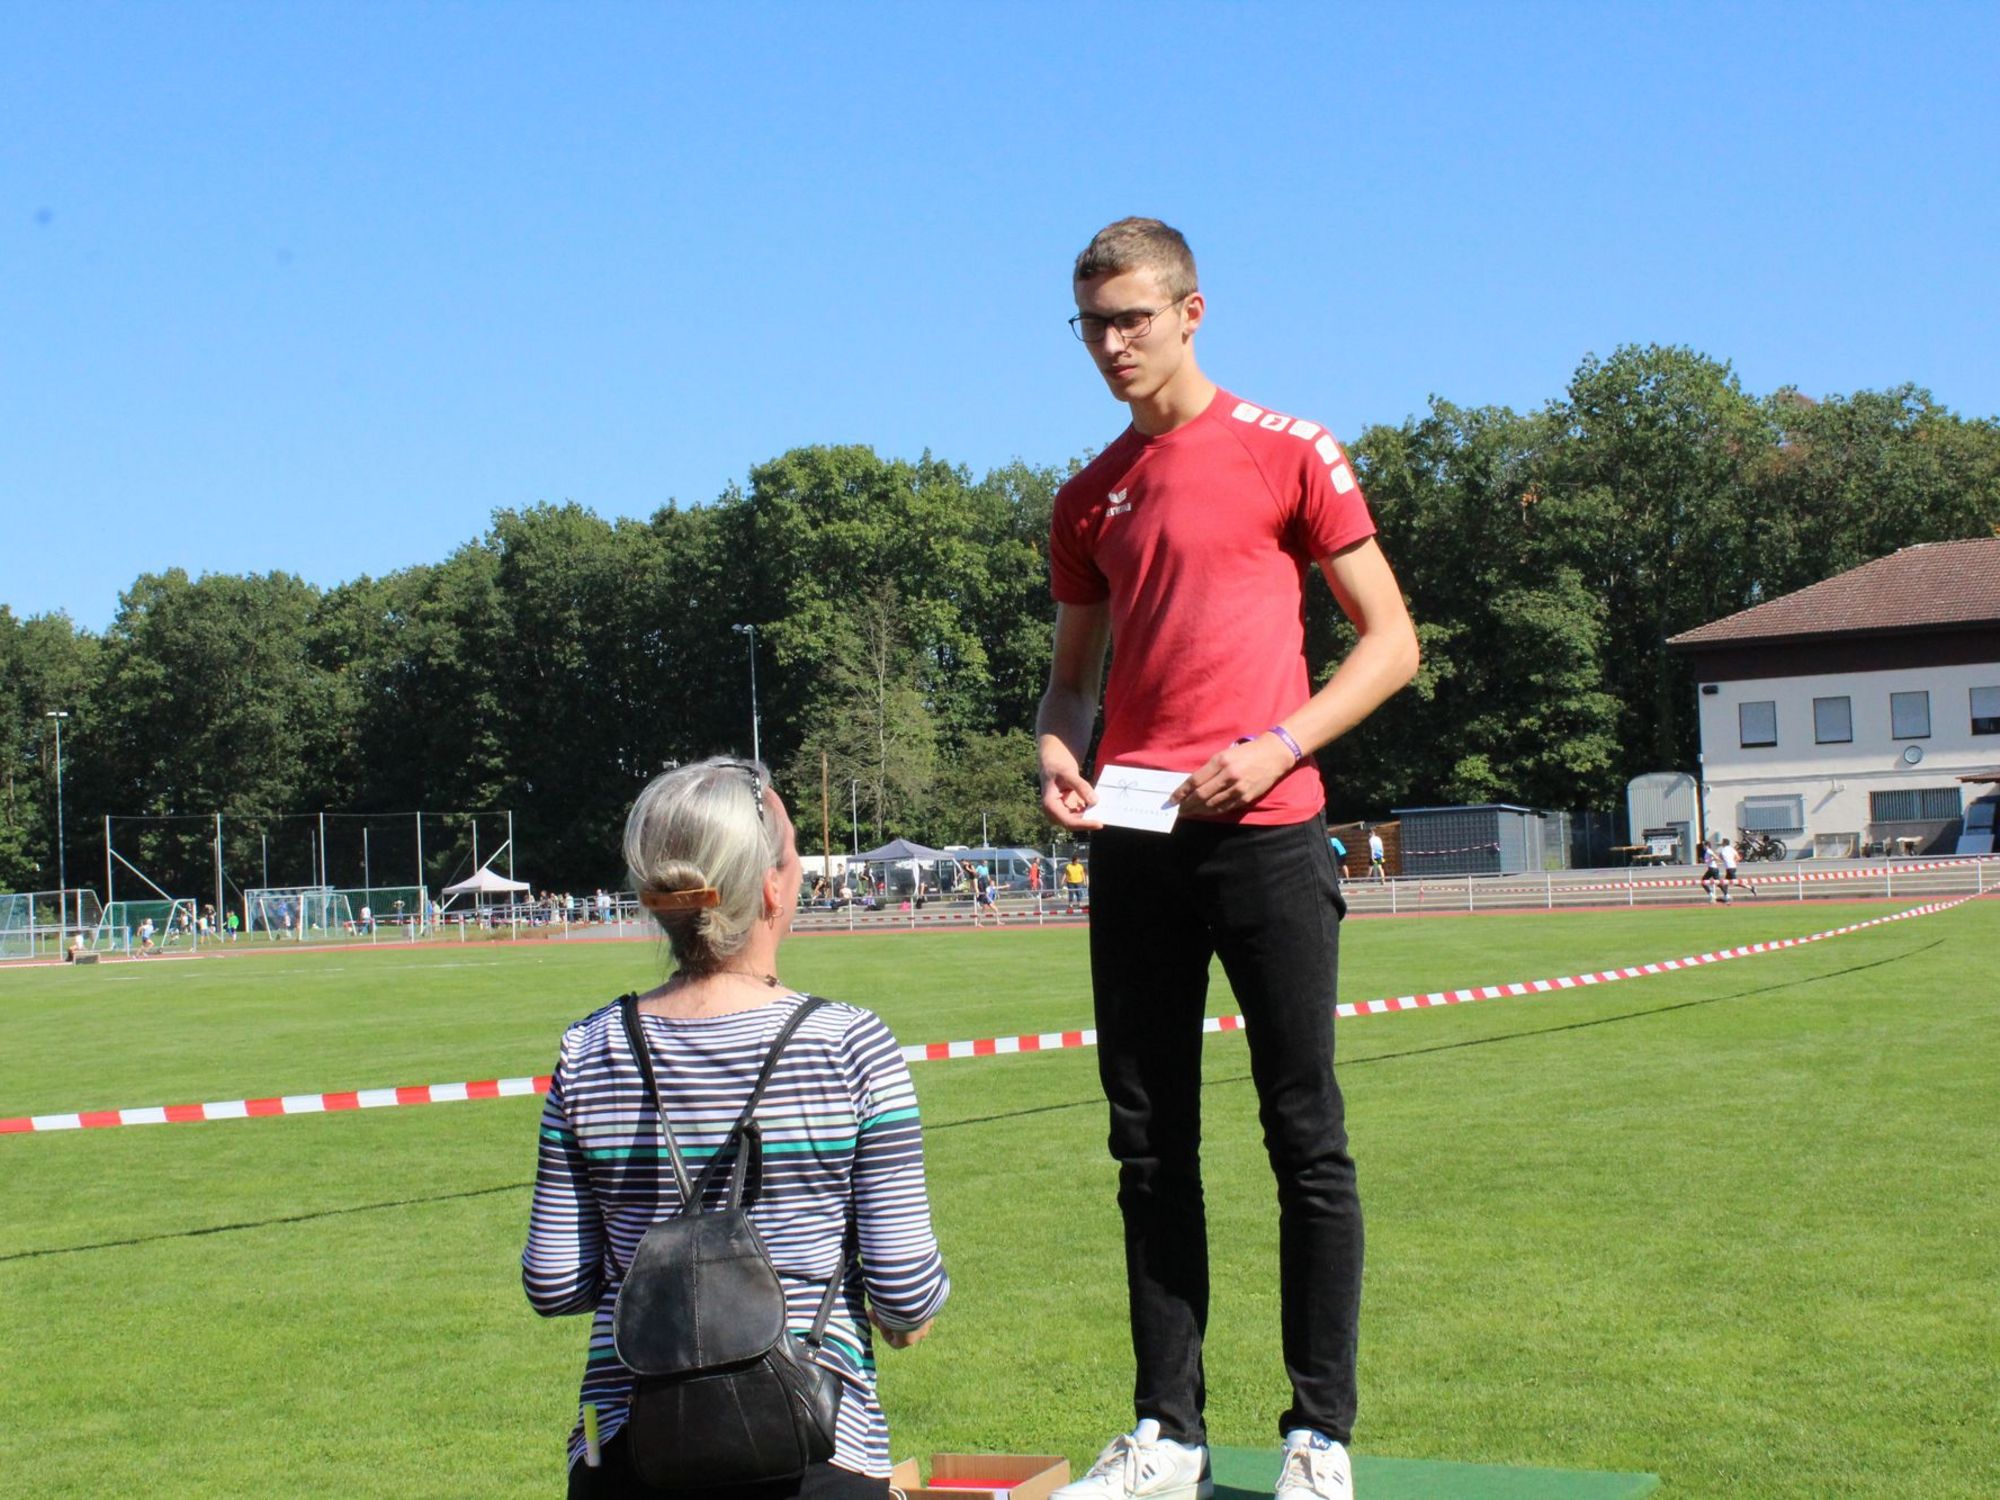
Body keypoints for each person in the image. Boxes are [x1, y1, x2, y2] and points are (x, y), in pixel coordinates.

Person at [1037, 218, 1420, 1500]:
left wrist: (1275, 747)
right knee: (1147, 1148)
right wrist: (1055, 752)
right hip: (1138, 850)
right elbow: (1070, 682)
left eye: (1132, 317)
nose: (1110, 344)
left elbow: (1389, 644)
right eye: (1091, 322)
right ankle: (1167, 1436)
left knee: (1303, 1136)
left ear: (1193, 312)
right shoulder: (1085, 496)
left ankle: (1318, 1437)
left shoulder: (1288, 451)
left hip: (1267, 834)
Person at [524, 757, 949, 1498]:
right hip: (815, 1442)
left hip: (633, 1448)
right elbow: (905, 1298)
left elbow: (555, 1284)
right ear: (773, 885)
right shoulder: (850, 1045)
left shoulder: (588, 1049)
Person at [1698, 837, 1722, 902]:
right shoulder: (1707, 851)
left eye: (1703, 845)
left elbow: (1716, 858)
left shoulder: (1709, 851)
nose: (1703, 846)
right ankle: (1724, 894)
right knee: (1719, 883)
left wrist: (1710, 859)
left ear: (1707, 845)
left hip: (1712, 869)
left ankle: (1712, 895)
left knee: (1703, 881)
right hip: (1712, 869)